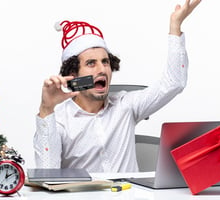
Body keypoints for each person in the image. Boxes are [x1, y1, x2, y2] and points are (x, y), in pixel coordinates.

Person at [34, 0, 201, 172]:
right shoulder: (60, 120)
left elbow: (174, 83)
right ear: (73, 75)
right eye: (91, 63)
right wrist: (46, 109)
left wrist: (175, 27)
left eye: (105, 62)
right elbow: (47, 173)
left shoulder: (125, 106)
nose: (102, 69)